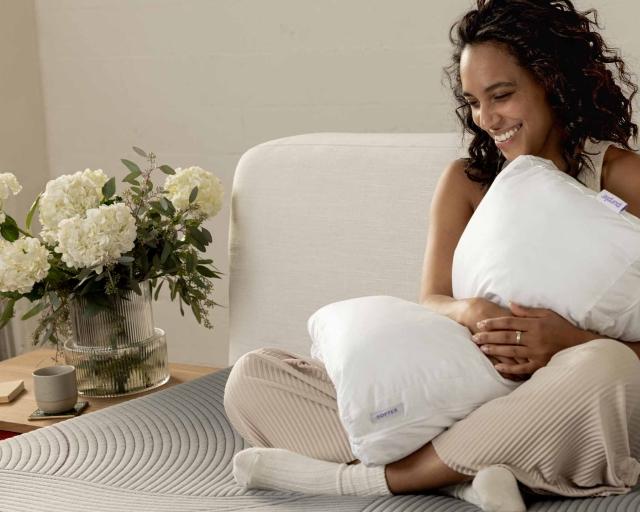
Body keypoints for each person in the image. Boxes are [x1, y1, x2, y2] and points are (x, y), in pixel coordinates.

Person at [223, 1, 640, 511]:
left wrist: (571, 343)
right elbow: (433, 299)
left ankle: (366, 482)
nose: (488, 119)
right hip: (458, 391)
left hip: (567, 394)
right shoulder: (466, 182)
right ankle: (467, 475)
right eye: (474, 102)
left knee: (608, 366)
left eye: (502, 95)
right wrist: (472, 311)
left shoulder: (621, 178)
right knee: (254, 377)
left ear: (552, 82)